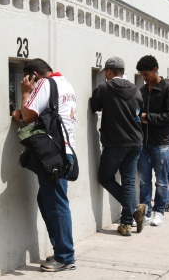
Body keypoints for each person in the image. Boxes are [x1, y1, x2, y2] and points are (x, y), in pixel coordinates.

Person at [12, 58, 77, 272]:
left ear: (34, 76)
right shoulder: (65, 83)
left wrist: (24, 93)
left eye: (27, 78)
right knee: (47, 199)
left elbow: (29, 115)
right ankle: (61, 249)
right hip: (65, 151)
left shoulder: (44, 84)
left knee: (57, 204)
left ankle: (65, 257)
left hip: (53, 154)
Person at [89, 56, 147, 236]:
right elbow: (139, 111)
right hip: (136, 141)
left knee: (105, 177)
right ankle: (126, 223)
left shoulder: (104, 88)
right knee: (129, 181)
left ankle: (134, 209)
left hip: (116, 143)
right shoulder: (136, 91)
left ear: (108, 71)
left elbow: (94, 106)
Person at [136, 55, 169, 227]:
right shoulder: (142, 91)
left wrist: (148, 118)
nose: (144, 78)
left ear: (155, 70)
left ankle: (159, 211)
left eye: (146, 74)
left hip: (162, 142)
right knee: (144, 180)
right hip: (144, 142)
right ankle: (145, 212)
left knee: (161, 180)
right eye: (142, 75)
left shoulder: (168, 89)